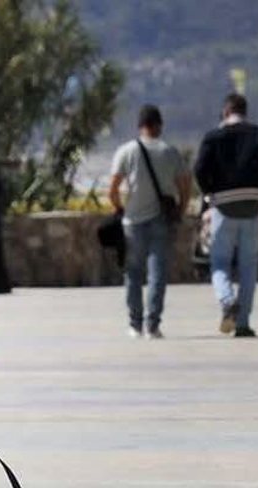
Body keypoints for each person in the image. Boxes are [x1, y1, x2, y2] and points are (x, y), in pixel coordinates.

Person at [193, 93, 258, 337]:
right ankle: (243, 323)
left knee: (220, 261)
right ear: (245, 111)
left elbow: (199, 169)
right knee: (248, 265)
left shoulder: (213, 137)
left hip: (223, 207)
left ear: (225, 111)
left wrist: (209, 194)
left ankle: (226, 300)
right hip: (254, 205)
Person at [110, 104, 190, 340]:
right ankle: (152, 326)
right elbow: (185, 186)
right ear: (159, 125)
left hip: (132, 221)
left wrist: (119, 208)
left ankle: (135, 325)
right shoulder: (170, 151)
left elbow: (113, 188)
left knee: (133, 273)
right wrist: (181, 210)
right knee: (158, 273)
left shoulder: (126, 151)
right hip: (161, 221)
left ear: (139, 126)